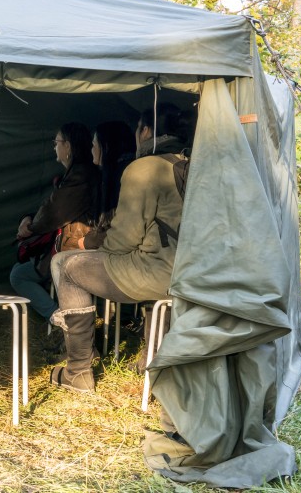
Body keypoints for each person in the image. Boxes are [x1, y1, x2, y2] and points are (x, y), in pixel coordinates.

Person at [48, 103, 190, 393]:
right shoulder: (189, 164)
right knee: (152, 279)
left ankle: (78, 370)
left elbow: (124, 239)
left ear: (146, 130)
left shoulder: (145, 168)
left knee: (66, 265)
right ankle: (150, 362)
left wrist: (95, 246)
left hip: (156, 274)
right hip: (190, 273)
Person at [10, 122, 98, 322]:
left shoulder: (80, 175)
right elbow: (52, 208)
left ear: (68, 146)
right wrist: (30, 218)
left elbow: (55, 212)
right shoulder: (77, 174)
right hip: (72, 245)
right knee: (19, 272)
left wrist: (30, 227)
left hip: (74, 248)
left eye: (56, 142)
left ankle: (61, 319)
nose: (54, 147)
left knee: (19, 276)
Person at [79, 121, 136, 251]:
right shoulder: (107, 175)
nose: (91, 149)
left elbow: (121, 226)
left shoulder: (123, 176)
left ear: (106, 146)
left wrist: (88, 241)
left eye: (94, 144)